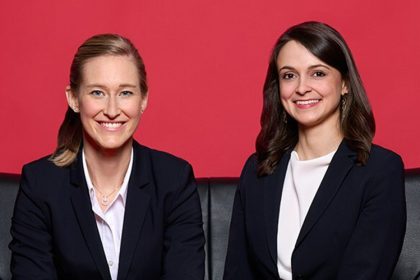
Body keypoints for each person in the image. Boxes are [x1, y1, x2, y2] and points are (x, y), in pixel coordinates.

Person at [10, 34, 205, 280]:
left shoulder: (174, 180)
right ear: (74, 98)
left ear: (143, 99)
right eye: (97, 93)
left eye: (125, 93)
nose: (112, 111)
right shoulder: (40, 184)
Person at [223, 21, 406, 280]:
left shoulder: (380, 170)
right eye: (289, 75)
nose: (301, 87)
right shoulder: (257, 169)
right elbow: (237, 272)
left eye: (317, 73)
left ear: (344, 84)